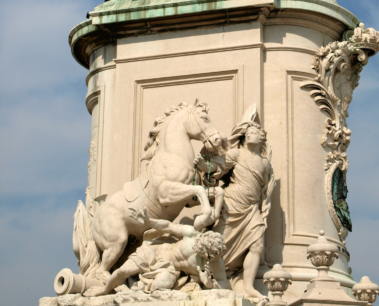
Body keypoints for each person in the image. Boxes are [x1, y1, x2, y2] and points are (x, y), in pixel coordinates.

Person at [195, 119, 273, 303]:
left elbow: (264, 192)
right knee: (221, 242)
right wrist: (202, 166)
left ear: (261, 138)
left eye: (255, 132)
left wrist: (263, 210)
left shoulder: (265, 164)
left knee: (257, 246)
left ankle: (248, 288)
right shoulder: (237, 154)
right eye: (250, 132)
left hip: (252, 208)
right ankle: (208, 271)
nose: (252, 134)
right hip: (232, 204)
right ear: (244, 137)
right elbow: (217, 168)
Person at [84, 219, 228, 296]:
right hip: (155, 252)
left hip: (169, 269)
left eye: (203, 252)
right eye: (200, 246)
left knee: (163, 284)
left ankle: (129, 291)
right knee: (122, 272)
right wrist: (148, 221)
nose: (198, 249)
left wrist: (209, 284)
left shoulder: (215, 263)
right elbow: (167, 226)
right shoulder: (192, 234)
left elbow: (225, 284)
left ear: (210, 256)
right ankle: (104, 289)